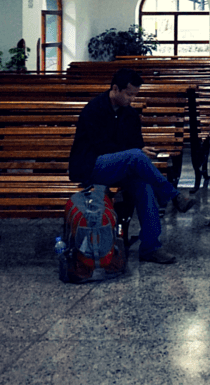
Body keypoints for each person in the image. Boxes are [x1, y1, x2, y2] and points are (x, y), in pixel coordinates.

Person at [68, 67, 196, 264]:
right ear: (115, 89)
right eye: (129, 94)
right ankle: (174, 195)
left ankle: (151, 247)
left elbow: (136, 144)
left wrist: (140, 151)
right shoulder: (94, 109)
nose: (132, 99)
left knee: (144, 186)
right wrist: (134, 152)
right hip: (91, 166)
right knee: (135, 156)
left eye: (135, 95)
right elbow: (99, 146)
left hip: (120, 167)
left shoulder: (130, 115)